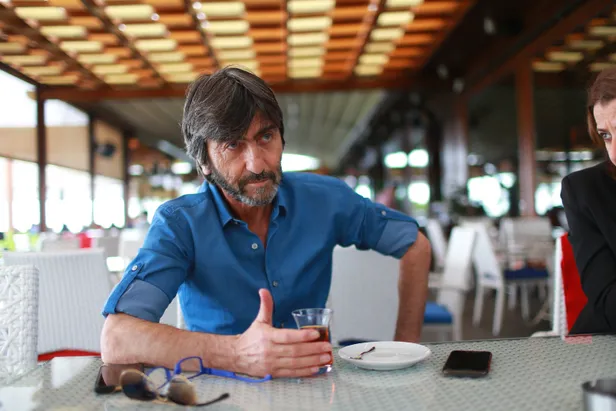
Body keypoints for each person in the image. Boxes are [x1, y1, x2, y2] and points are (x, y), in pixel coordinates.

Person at [100, 67, 431, 378]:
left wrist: (405, 348)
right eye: (233, 144)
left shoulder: (325, 199)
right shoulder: (180, 224)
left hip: (313, 385)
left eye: (266, 136)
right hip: (219, 391)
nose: (257, 164)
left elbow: (415, 245)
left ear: (281, 138)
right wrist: (237, 354)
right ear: (204, 161)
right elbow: (117, 338)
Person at [561, 67, 616, 335]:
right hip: (604, 345)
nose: (614, 154)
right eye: (606, 135)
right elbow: (608, 302)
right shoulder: (585, 191)